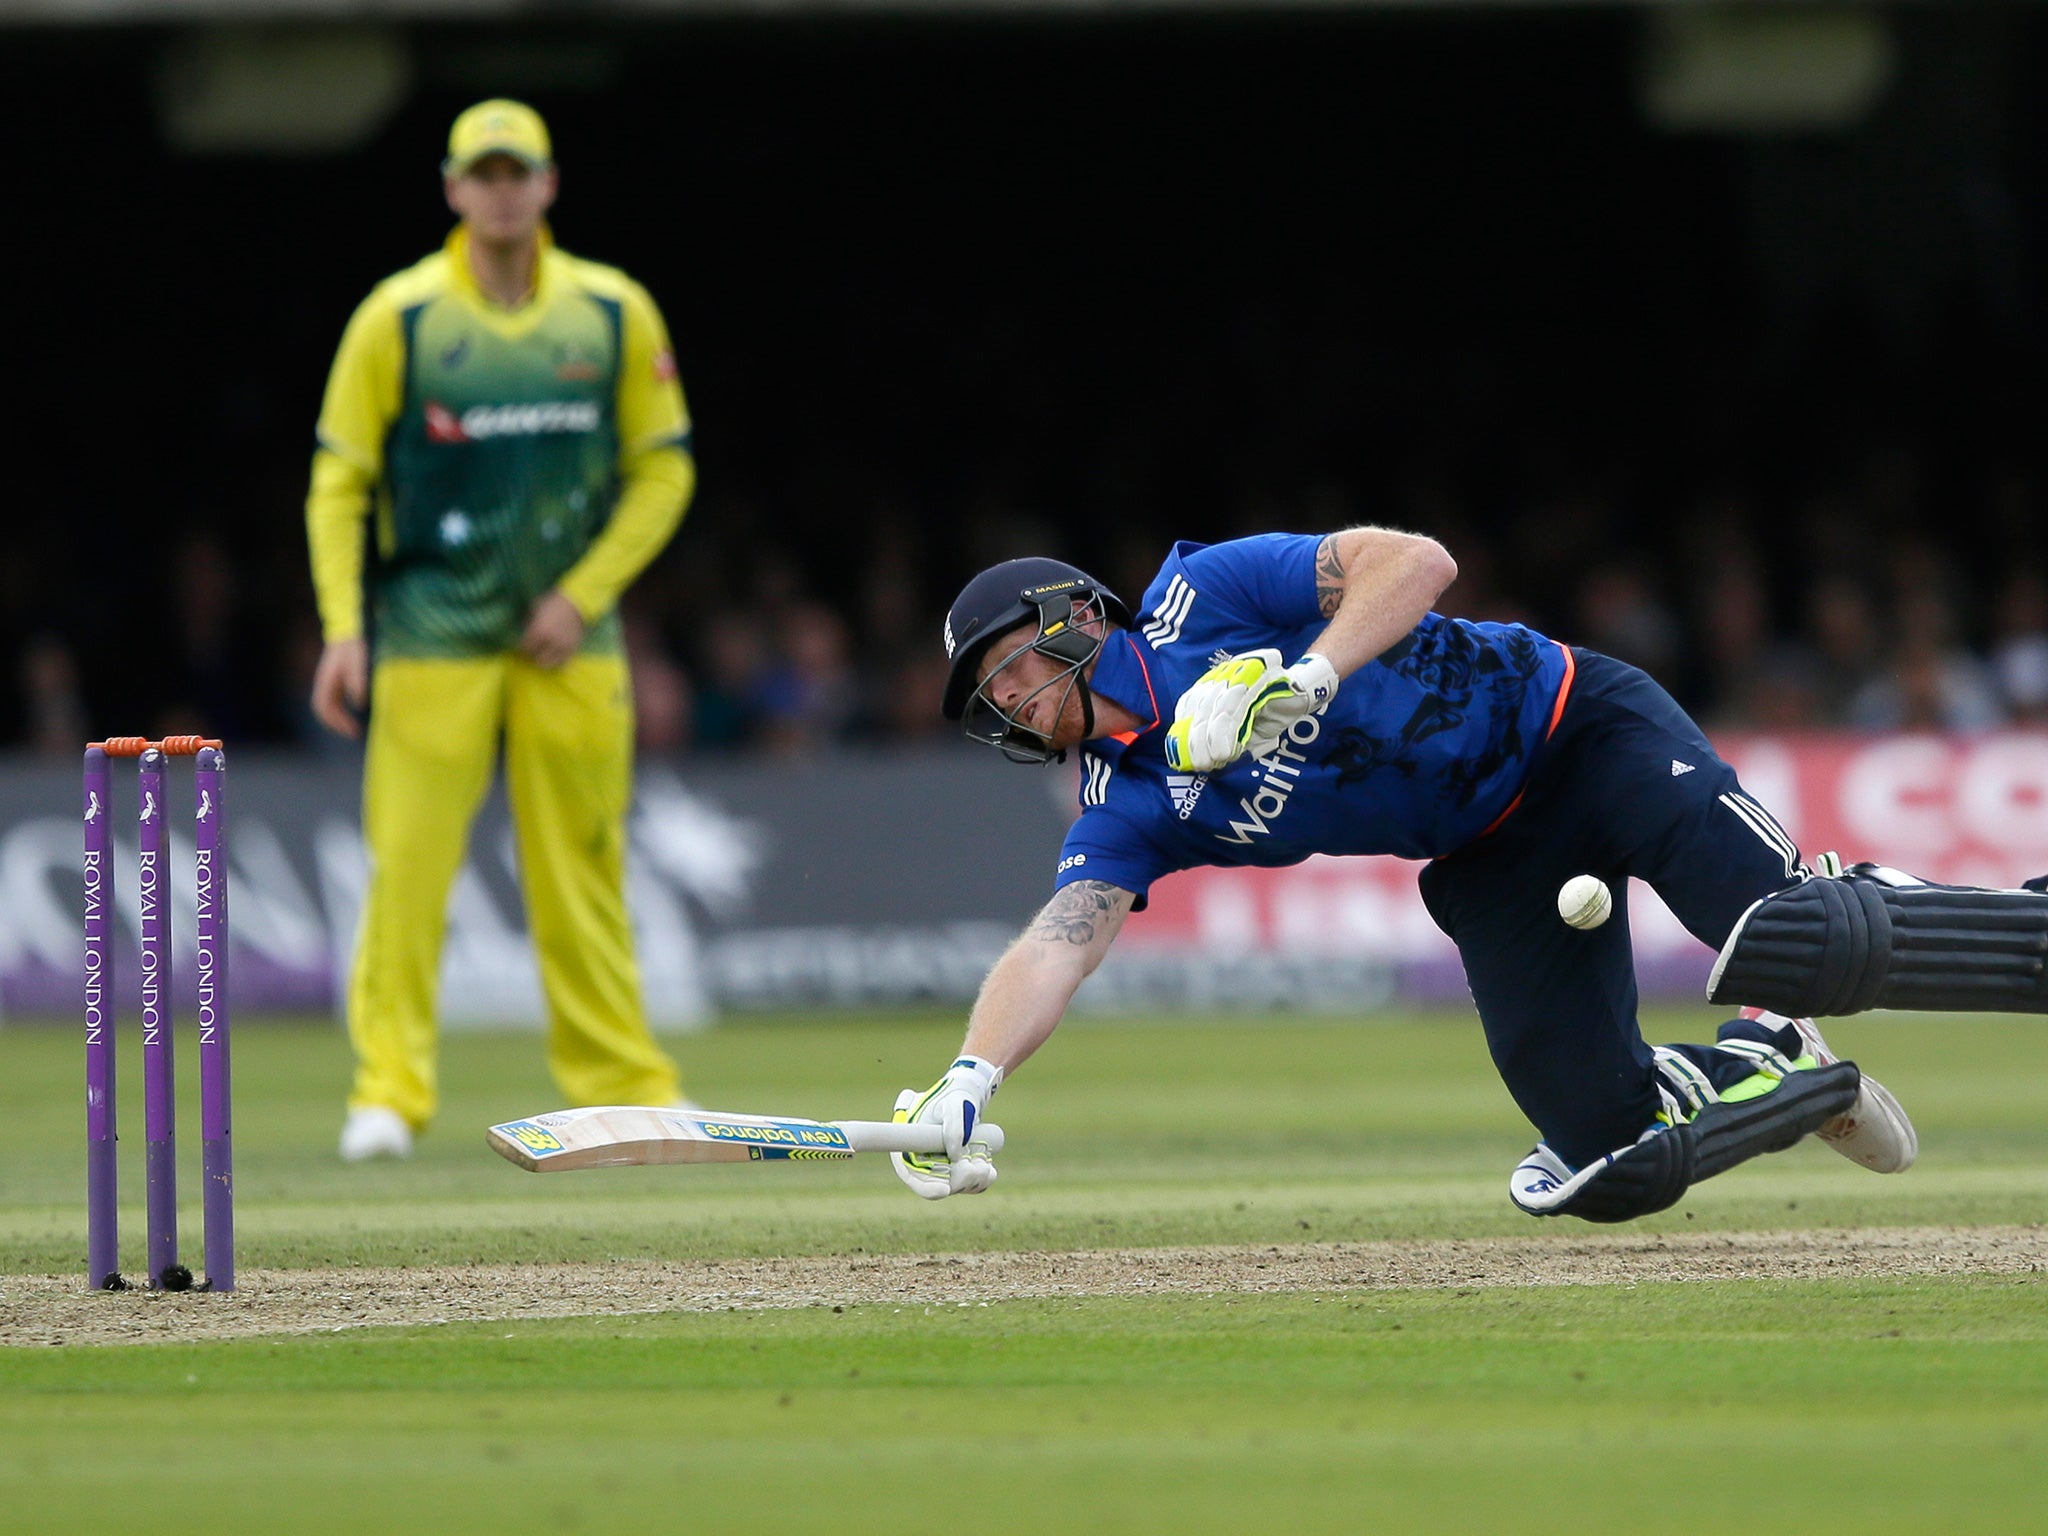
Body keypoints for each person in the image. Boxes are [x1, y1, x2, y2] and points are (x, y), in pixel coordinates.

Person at [890, 529, 2048, 1218]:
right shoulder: (1123, 805)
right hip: (1492, 855)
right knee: (1609, 1160)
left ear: (1075, 619)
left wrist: (1305, 675)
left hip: (1580, 733)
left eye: (1006, 666)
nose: (1004, 701)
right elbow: (1064, 933)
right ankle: (1772, 1063)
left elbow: (1416, 562)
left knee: (1802, 940)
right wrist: (970, 1074)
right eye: (986, 698)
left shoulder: (1209, 594)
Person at [305, 99, 695, 1160]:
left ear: (548, 184)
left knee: (581, 863)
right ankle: (387, 1093)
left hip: (570, 641)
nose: (501, 190)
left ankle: (621, 1086)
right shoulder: (402, 318)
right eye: (482, 173)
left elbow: (664, 467)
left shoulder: (611, 312)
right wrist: (344, 627)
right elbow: (338, 482)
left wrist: (584, 592)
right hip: (432, 630)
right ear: (453, 189)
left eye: (517, 171)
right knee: (409, 869)